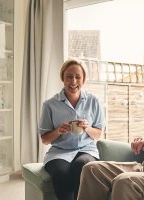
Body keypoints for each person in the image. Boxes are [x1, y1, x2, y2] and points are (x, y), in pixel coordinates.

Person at [39, 58, 105, 200]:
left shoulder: (94, 101)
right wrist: (58, 131)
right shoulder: (49, 105)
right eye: (69, 77)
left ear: (84, 79)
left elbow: (98, 134)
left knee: (81, 167)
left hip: (86, 150)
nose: (73, 81)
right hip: (59, 152)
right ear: (62, 78)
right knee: (61, 173)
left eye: (77, 77)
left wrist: (87, 128)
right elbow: (44, 139)